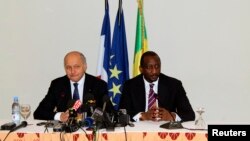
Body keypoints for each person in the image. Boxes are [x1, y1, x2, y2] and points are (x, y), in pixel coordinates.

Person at [34, 51, 113, 122]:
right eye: (68, 67)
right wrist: (59, 116)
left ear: (85, 66)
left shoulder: (99, 85)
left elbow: (110, 113)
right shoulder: (57, 84)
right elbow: (39, 112)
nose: (72, 71)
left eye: (77, 67)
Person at [119, 51, 195, 122]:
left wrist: (172, 116)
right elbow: (121, 114)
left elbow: (190, 114)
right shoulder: (130, 85)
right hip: (140, 130)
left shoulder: (174, 85)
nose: (154, 71)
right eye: (149, 67)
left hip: (165, 131)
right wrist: (141, 116)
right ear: (141, 69)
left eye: (157, 67)